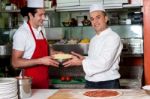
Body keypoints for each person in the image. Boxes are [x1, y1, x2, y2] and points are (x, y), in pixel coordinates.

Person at [63, 4, 123, 89]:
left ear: (106, 18)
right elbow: (95, 59)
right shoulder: (93, 39)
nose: (95, 22)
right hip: (90, 82)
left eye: (98, 17)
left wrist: (81, 62)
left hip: (108, 83)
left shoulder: (113, 37)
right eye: (92, 19)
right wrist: (84, 59)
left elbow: (104, 63)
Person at [11, 0, 59, 89]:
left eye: (44, 14)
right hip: (29, 84)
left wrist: (55, 53)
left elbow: (47, 48)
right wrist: (40, 61)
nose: (44, 18)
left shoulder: (42, 29)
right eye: (40, 15)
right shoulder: (22, 33)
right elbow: (15, 63)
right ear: (30, 15)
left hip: (44, 81)